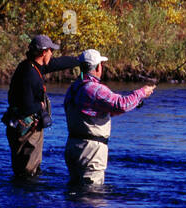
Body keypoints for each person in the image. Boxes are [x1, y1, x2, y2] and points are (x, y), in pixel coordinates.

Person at [63, 49, 154, 188]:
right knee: (91, 196)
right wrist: (141, 93)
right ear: (99, 67)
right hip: (91, 151)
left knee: (75, 192)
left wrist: (133, 104)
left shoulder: (73, 88)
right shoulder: (95, 89)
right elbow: (121, 104)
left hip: (74, 147)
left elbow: (94, 113)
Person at [4, 34, 80, 178]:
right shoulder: (30, 74)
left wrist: (78, 60)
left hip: (20, 128)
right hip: (27, 131)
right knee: (28, 173)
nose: (52, 54)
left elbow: (57, 63)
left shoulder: (30, 66)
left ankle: (20, 197)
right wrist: (40, 105)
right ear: (44, 52)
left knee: (22, 171)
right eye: (51, 51)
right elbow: (26, 107)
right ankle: (29, 199)